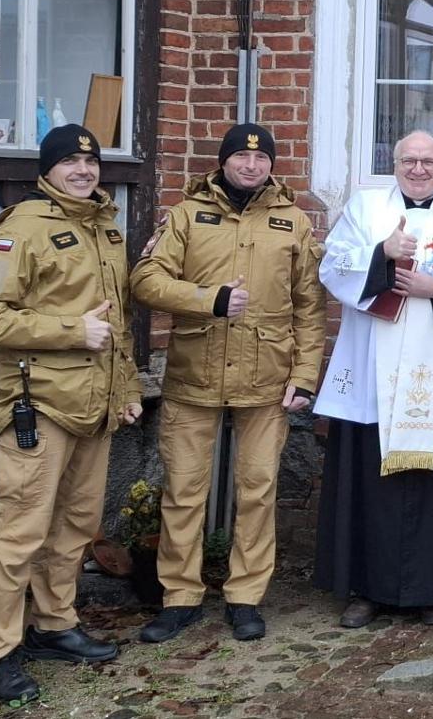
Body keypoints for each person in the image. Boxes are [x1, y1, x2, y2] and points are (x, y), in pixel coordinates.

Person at [0, 124, 141, 703]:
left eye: (90, 164)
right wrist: (69, 330)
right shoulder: (22, 230)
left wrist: (127, 386)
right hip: (39, 406)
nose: (83, 172)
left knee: (74, 528)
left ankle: (54, 625)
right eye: (70, 164)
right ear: (49, 170)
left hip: (96, 405)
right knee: (18, 531)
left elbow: (116, 326)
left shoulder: (104, 226)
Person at [129, 123, 327, 643]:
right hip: (194, 373)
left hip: (268, 378)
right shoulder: (187, 215)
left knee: (258, 490)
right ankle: (179, 596)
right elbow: (145, 280)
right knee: (184, 491)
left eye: (261, 159)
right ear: (223, 161)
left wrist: (306, 376)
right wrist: (207, 299)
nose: (251, 165)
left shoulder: (293, 222)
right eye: (241, 156)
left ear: (271, 166)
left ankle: (245, 596)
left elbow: (310, 308)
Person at [312, 131, 433, 628]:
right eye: (409, 160)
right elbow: (332, 265)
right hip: (375, 375)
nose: (418, 169)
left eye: (429, 161)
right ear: (394, 164)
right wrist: (382, 255)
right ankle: (366, 590)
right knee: (368, 480)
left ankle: (432, 589)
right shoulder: (365, 206)